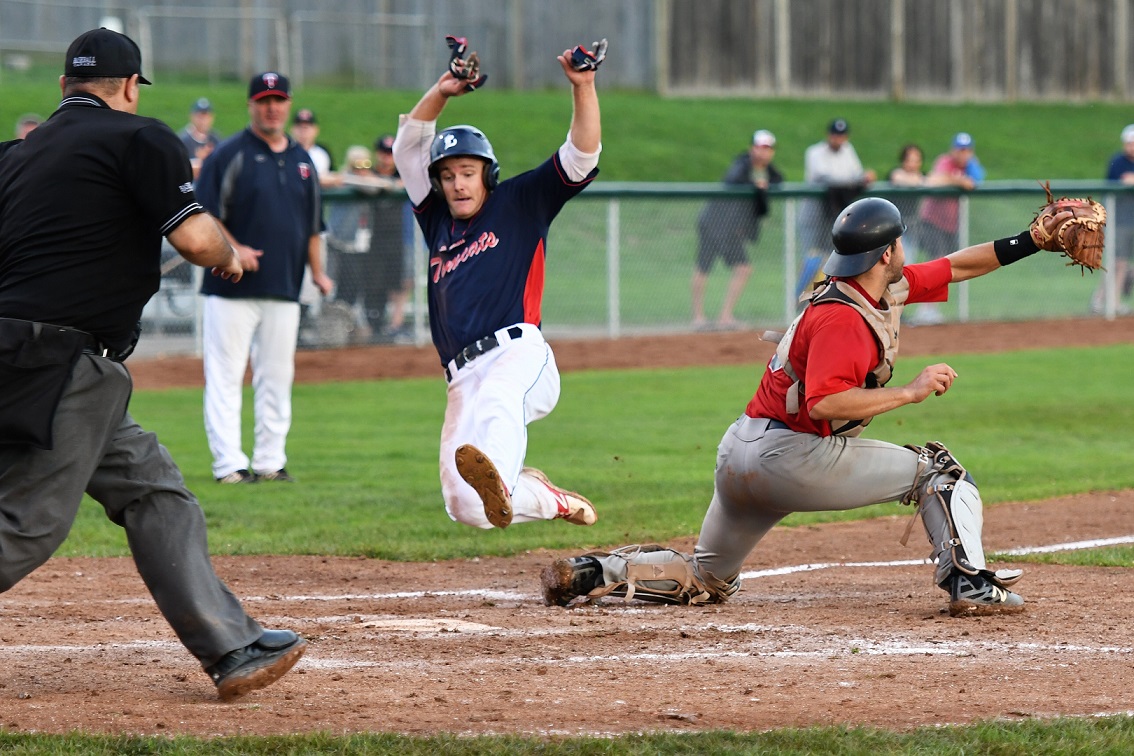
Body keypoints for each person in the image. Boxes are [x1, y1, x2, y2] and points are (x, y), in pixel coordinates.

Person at [542, 196, 1075, 617]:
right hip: (791, 457)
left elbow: (957, 266)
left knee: (708, 579)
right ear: (885, 253)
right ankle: (970, 584)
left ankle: (591, 573)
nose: (905, 253)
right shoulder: (844, 319)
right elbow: (825, 403)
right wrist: (911, 392)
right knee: (937, 471)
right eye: (899, 244)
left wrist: (1030, 240)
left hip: (741, 451)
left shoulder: (860, 290)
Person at [0, 27, 305, 700]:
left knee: (153, 490)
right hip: (64, 362)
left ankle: (233, 646)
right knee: (28, 523)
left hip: (32, 357)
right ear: (132, 87)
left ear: (62, 88)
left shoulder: (15, 156)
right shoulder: (138, 137)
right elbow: (196, 240)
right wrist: (228, 254)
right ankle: (233, 645)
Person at [392, 37, 602, 530]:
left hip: (519, 352)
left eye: (468, 172)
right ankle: (547, 497)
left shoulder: (519, 202)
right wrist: (443, 91)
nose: (457, 184)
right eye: (446, 176)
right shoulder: (436, 221)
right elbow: (408, 146)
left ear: (488, 174)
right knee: (466, 508)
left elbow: (581, 156)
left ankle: (503, 480)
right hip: (460, 377)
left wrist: (584, 86)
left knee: (497, 402)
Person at [195, 71, 333, 484]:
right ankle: (229, 465)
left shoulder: (302, 160)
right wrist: (232, 250)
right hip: (230, 287)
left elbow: (312, 227)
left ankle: (270, 461)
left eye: (278, 100)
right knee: (225, 375)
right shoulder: (229, 154)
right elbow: (205, 215)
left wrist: (319, 273)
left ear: (288, 104)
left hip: (284, 286)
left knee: (277, 376)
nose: (272, 107)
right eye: (263, 100)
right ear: (251, 104)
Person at [691, 129, 784, 331]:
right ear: (752, 148)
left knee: (740, 268)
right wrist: (756, 185)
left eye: (768, 148)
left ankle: (723, 317)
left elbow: (778, 180)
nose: (763, 152)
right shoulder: (742, 164)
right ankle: (700, 317)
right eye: (760, 147)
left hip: (730, 229)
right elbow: (734, 181)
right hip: (715, 223)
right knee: (705, 267)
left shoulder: (767, 171)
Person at [327, 144, 398, 341]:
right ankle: (335, 332)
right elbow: (360, 183)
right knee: (340, 291)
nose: (361, 169)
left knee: (359, 288)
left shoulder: (368, 181)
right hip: (341, 244)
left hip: (361, 245)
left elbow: (383, 186)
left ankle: (355, 329)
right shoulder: (345, 180)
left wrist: (378, 180)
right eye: (357, 164)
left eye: (365, 164)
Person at [913, 132, 985, 325]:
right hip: (933, 221)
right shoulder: (944, 161)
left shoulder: (970, 166)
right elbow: (933, 181)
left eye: (967, 150)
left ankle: (933, 309)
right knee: (935, 264)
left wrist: (961, 176)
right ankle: (925, 310)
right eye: (960, 149)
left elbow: (976, 181)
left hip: (952, 224)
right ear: (953, 149)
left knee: (949, 265)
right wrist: (957, 180)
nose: (963, 154)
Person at [798, 119, 876, 295]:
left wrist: (862, 178)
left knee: (829, 257)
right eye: (835, 135)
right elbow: (826, 178)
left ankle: (818, 296)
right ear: (829, 135)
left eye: (842, 136)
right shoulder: (815, 152)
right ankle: (799, 297)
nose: (838, 139)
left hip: (835, 214)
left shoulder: (848, 150)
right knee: (810, 256)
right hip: (814, 213)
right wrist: (855, 181)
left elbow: (857, 174)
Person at [1093, 124, 1134, 315]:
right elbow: (1115, 185)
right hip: (1119, 220)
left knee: (1123, 263)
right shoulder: (1117, 162)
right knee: (1117, 262)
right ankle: (1108, 302)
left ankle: (1104, 301)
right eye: (1129, 143)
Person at [886, 143, 927, 263]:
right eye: (910, 160)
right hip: (893, 228)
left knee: (908, 263)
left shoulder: (921, 176)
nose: (913, 164)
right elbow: (899, 179)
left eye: (916, 161)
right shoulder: (896, 173)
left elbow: (932, 179)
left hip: (911, 227)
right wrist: (921, 181)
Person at [290, 107, 338, 188]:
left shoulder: (323, 152)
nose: (303, 131)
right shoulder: (287, 152)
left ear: (316, 130)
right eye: (300, 127)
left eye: (307, 127)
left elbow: (333, 176)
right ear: (292, 129)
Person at [178, 97, 221, 178]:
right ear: (192, 116)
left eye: (206, 116)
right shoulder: (183, 139)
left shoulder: (216, 138)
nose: (203, 120)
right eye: (199, 116)